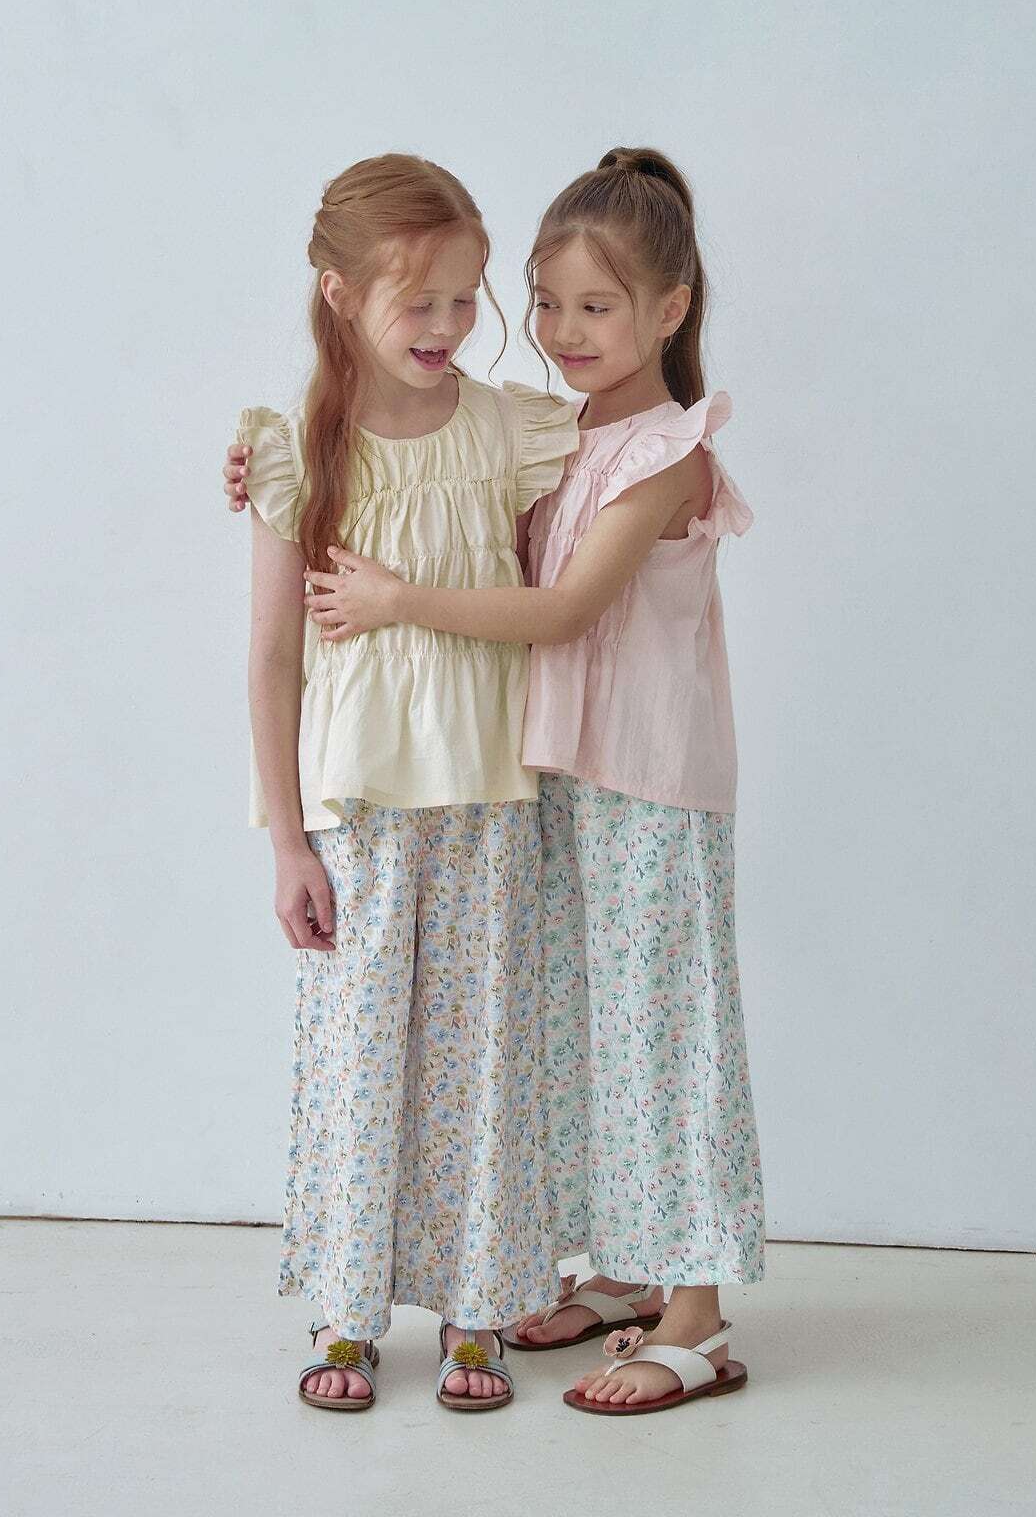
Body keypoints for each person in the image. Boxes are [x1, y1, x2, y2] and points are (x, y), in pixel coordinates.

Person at [274, 146, 768, 1415]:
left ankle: (698, 1313)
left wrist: (396, 600)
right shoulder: (560, 432)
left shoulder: (666, 451)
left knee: (665, 1033)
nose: (562, 331)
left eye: (597, 306)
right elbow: (430, 475)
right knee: (580, 1035)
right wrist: (268, 470)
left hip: (651, 782)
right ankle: (626, 1272)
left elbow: (558, 610)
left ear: (670, 308)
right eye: (546, 303)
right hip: (558, 778)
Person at [233, 151, 579, 1412]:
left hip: (488, 797)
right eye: (416, 300)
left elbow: (597, 504)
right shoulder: (295, 451)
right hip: (360, 813)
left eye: (464, 299)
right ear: (339, 294)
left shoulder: (504, 429)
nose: (446, 325)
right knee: (358, 1062)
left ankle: (479, 1305)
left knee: (483, 1061)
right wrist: (286, 840)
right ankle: (346, 1307)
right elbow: (272, 658)